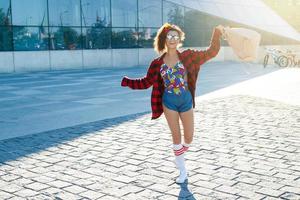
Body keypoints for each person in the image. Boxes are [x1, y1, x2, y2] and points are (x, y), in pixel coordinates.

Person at [121, 23, 224, 184]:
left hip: (186, 100)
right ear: (164, 39)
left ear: (179, 39)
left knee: (188, 138)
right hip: (168, 102)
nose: (172, 39)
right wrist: (127, 81)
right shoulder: (157, 63)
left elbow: (211, 52)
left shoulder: (189, 56)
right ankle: (182, 171)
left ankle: (178, 156)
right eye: (169, 36)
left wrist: (216, 33)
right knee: (176, 137)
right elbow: (146, 82)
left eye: (175, 36)